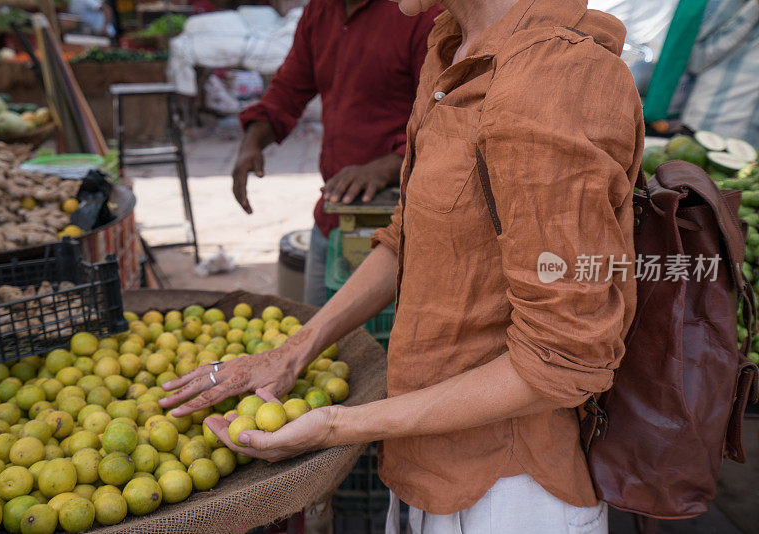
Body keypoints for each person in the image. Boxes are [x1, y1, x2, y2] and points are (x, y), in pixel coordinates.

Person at [162, 0, 644, 531]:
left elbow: (564, 358)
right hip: (424, 463)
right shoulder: (450, 45)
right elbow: (404, 242)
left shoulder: (552, 78)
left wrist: (336, 427)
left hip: (506, 489)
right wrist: (290, 353)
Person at [232, 0, 441, 307]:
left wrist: (388, 164)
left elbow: (444, 115)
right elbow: (289, 89)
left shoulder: (419, 12)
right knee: (319, 333)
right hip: (335, 216)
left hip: (403, 217)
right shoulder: (320, 10)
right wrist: (252, 141)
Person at [680, 0, 759, 145]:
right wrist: (752, 10)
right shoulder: (735, 5)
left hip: (749, 138)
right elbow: (695, 60)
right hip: (709, 125)